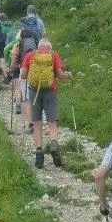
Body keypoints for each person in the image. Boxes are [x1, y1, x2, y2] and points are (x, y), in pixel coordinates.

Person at [19, 38, 71, 168]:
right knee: (52, 122)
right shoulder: (53, 55)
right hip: (50, 92)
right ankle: (53, 144)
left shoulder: (30, 55)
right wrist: (68, 75)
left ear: (38, 47)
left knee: (37, 123)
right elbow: (60, 74)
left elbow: (23, 75)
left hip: (34, 93)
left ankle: (39, 155)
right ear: (49, 47)